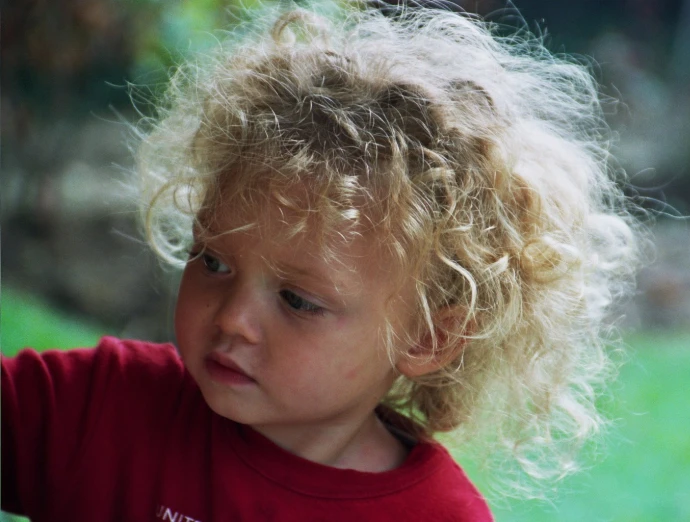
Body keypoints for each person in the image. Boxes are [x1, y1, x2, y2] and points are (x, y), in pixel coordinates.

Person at [2, 3, 641, 521]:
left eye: (298, 301)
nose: (233, 320)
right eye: (215, 261)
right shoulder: (94, 409)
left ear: (427, 334)